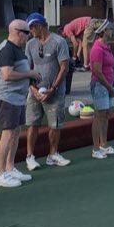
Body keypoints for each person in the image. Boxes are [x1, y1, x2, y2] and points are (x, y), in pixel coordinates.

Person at [0, 20, 38, 187]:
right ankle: (0, 173)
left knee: (16, 132)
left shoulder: (17, 49)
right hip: (7, 99)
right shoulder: (6, 49)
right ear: (18, 32)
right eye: (27, 32)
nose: (29, 35)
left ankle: (10, 168)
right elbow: (7, 74)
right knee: (8, 134)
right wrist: (29, 73)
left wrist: (30, 79)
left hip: (18, 98)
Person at [24, 12, 72, 169]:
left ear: (39, 26)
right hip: (35, 91)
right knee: (32, 123)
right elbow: (28, 69)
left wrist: (53, 88)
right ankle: (30, 157)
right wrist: (32, 88)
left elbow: (64, 67)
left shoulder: (59, 42)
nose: (30, 33)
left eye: (31, 29)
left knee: (55, 125)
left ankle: (53, 154)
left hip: (55, 91)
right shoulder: (30, 44)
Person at [87, 19, 114, 159]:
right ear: (103, 31)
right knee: (99, 116)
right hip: (100, 85)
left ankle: (104, 144)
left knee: (105, 114)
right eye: (109, 29)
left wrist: (113, 83)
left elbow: (109, 68)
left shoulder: (106, 47)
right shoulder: (97, 49)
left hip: (107, 84)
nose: (111, 31)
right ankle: (95, 148)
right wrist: (109, 87)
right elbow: (97, 72)